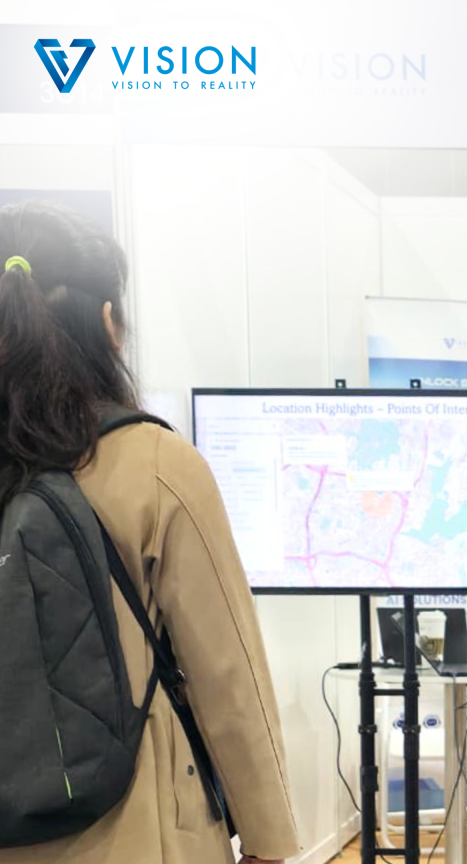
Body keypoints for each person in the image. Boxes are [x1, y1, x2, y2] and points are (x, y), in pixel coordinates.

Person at [0, 201, 300, 864]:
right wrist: (269, 841)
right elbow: (229, 676)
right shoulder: (155, 463)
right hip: (133, 828)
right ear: (108, 323)